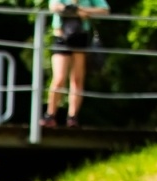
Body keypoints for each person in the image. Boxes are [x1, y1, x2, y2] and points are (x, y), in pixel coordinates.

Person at [43, 0, 110, 129]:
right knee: (59, 78)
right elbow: (54, 6)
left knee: (77, 79)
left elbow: (104, 10)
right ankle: (50, 115)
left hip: (80, 36)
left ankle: (72, 117)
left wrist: (84, 11)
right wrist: (74, 10)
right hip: (61, 36)